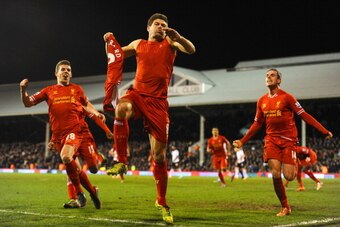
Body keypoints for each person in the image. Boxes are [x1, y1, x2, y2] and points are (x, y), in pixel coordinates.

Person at [103, 13, 195, 224]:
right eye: (157, 24)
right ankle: (121, 161)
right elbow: (114, 56)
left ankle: (161, 202)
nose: (161, 27)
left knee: (159, 156)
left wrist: (179, 37)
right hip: (137, 95)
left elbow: (191, 49)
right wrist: (109, 42)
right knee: (120, 110)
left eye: (164, 25)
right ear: (148, 28)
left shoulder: (171, 43)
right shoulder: (138, 44)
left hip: (159, 104)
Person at [233, 68, 333, 217]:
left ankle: (295, 164)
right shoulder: (261, 101)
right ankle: (285, 206)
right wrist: (242, 141)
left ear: (279, 80)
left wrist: (324, 131)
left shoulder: (287, 97)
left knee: (290, 176)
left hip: (288, 141)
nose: (269, 77)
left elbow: (304, 115)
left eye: (272, 75)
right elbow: (256, 124)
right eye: (267, 76)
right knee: (275, 173)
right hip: (271, 141)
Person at [20, 59, 106, 209]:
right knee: (76, 169)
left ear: (71, 74)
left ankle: (79, 194)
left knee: (75, 161)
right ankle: (92, 192)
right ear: (56, 73)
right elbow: (27, 103)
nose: (66, 72)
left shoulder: (76, 89)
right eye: (63, 69)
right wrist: (22, 90)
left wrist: (96, 113)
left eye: (68, 70)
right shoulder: (48, 90)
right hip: (58, 136)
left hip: (74, 131)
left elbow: (86, 104)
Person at [61, 109, 113, 208]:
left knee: (93, 169)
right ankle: (74, 199)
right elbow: (56, 122)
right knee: (72, 167)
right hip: (70, 137)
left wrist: (106, 130)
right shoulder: (61, 105)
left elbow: (93, 116)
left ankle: (97, 157)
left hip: (84, 136)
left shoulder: (78, 101)